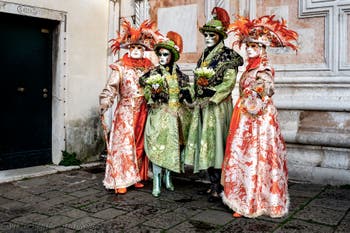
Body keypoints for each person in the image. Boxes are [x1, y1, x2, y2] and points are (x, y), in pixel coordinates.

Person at [222, 15, 298, 218]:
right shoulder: (249, 68)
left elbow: (268, 88)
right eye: (247, 46)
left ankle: (253, 201)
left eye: (253, 46)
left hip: (259, 119)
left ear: (262, 48)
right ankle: (243, 197)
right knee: (244, 156)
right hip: (246, 116)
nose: (248, 50)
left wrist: (259, 91)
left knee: (256, 156)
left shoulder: (263, 68)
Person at [184, 7, 243, 202]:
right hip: (203, 107)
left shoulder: (228, 56)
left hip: (217, 108)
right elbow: (197, 82)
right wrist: (189, 93)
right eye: (206, 35)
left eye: (212, 35)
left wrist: (214, 94)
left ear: (220, 36)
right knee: (206, 144)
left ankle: (220, 186)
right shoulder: (204, 56)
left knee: (217, 145)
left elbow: (229, 82)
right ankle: (212, 184)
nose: (208, 38)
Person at [99, 18, 160, 195]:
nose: (135, 51)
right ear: (129, 49)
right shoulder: (120, 67)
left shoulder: (149, 67)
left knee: (139, 144)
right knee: (124, 144)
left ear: (144, 51)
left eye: (139, 48)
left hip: (144, 109)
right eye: (133, 47)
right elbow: (111, 87)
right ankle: (120, 179)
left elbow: (155, 84)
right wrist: (105, 101)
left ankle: (136, 176)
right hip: (126, 110)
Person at [139, 31, 193, 197]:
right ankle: (156, 180)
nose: (161, 57)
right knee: (158, 146)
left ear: (172, 56)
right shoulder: (152, 74)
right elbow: (147, 91)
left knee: (174, 147)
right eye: (159, 54)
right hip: (160, 115)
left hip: (178, 116)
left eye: (165, 54)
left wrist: (186, 92)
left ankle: (168, 177)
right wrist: (153, 94)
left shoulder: (181, 75)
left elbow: (189, 93)